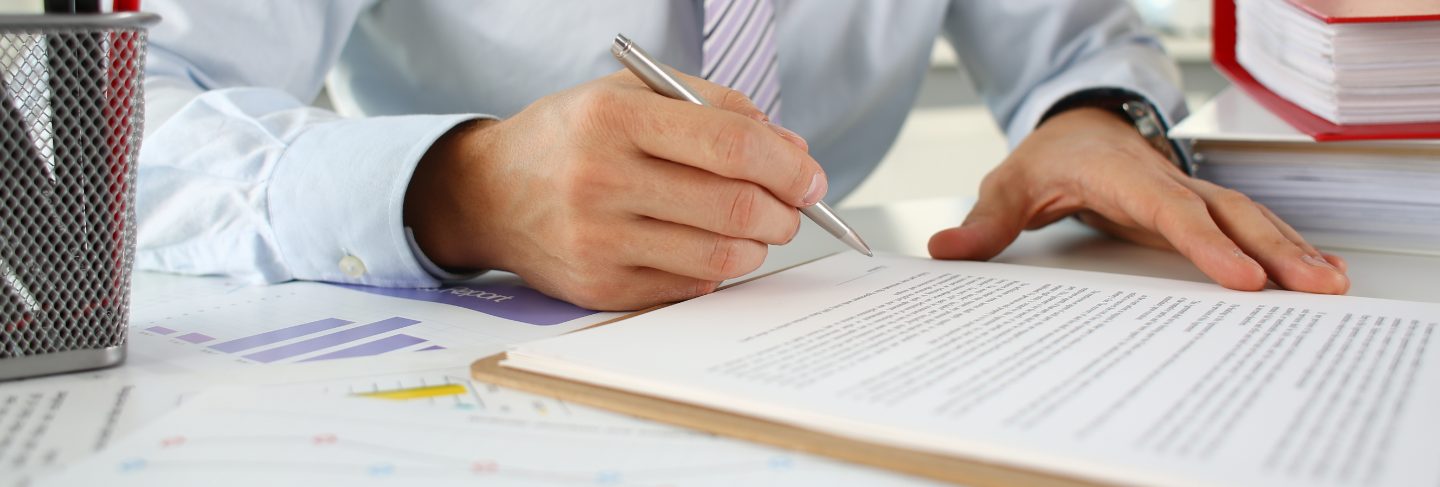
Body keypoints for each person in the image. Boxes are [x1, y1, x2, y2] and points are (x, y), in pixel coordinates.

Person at [137, 0, 1350, 311]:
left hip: (827, 326)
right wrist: (457, 186)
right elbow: (117, 125)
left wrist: (1094, 114)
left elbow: (1075, 33)